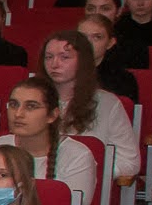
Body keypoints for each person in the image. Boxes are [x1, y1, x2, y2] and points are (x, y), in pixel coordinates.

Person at [0, 77, 102, 205]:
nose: (18, 114)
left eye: (31, 106)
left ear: (52, 115)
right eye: (13, 105)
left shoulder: (78, 156)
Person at [43, 31, 139, 179]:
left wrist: (86, 174)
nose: (54, 64)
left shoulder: (108, 104)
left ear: (83, 61)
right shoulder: (32, 100)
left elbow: (129, 161)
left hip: (88, 186)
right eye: (49, 57)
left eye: (65, 57)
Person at [78, 14, 140, 103]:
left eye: (97, 37)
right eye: (82, 36)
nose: (88, 43)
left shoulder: (122, 79)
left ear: (110, 43)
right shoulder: (61, 72)